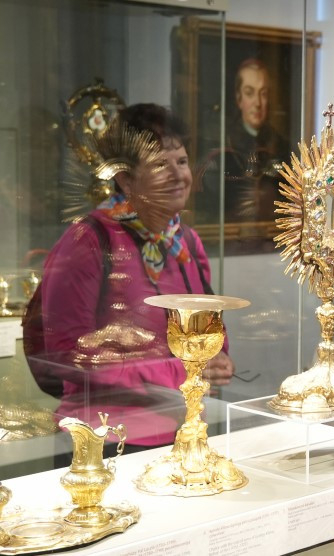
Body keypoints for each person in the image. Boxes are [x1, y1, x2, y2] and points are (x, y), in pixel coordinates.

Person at [32, 103, 235, 457]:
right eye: (160, 164)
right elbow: (67, 352)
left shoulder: (186, 242)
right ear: (126, 179)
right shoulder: (88, 241)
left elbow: (210, 328)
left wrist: (217, 359)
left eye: (182, 161)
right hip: (104, 442)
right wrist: (178, 373)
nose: (178, 175)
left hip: (185, 432)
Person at [223, 58, 290, 224]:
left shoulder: (282, 145)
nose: (258, 103)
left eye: (263, 93)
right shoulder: (225, 143)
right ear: (239, 98)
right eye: (249, 93)